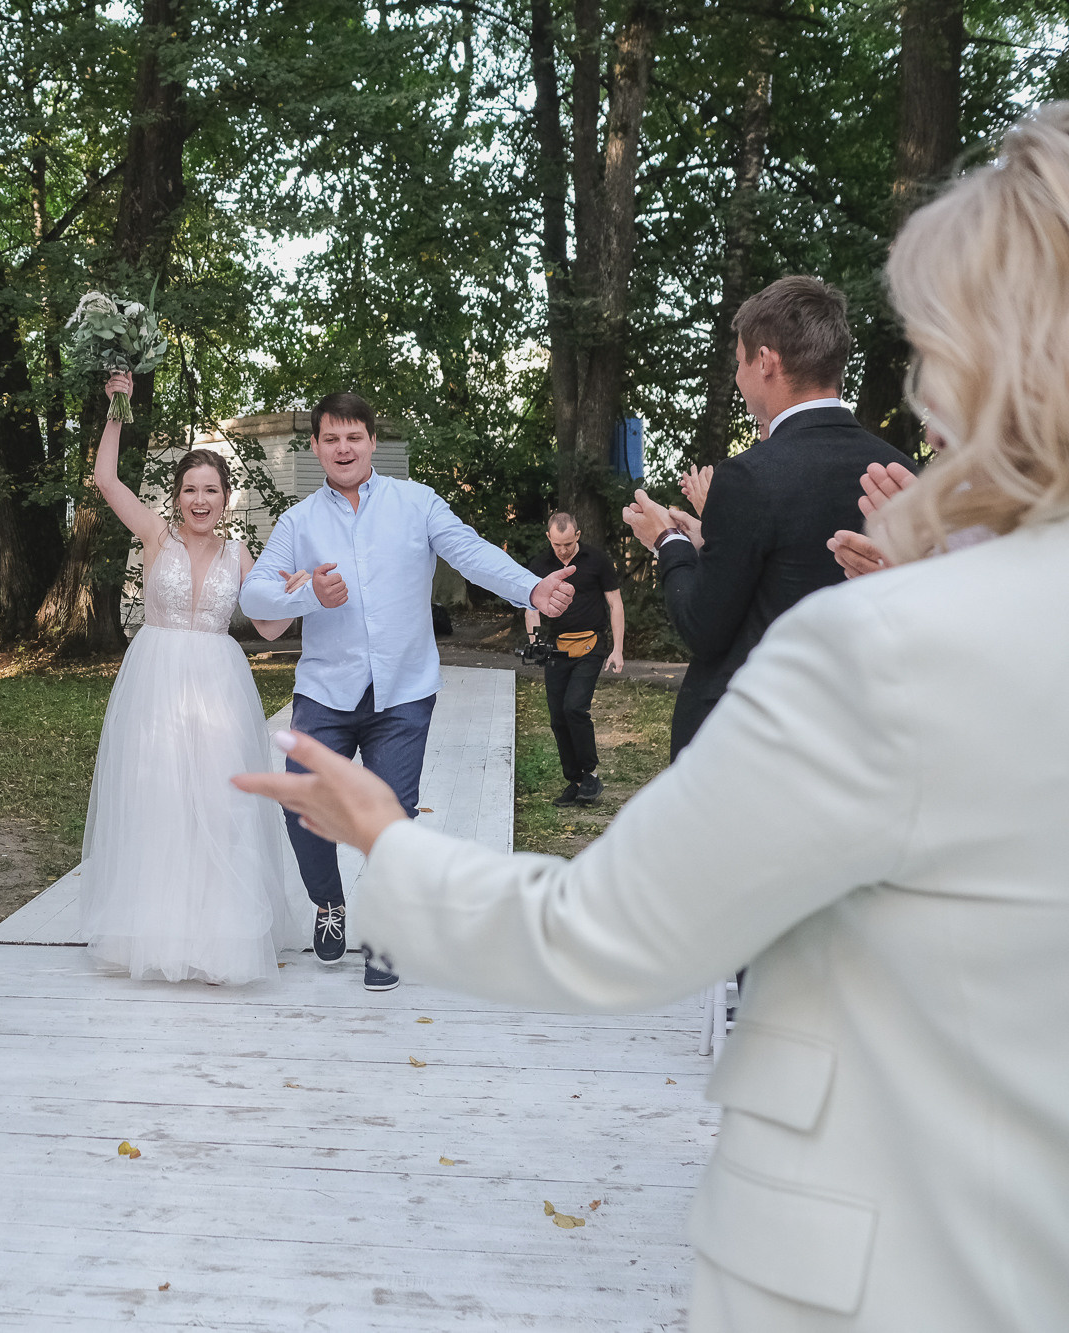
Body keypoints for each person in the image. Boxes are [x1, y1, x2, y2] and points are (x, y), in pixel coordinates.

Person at [237, 102, 1069, 1333]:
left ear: (991, 365)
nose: (915, 380)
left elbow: (598, 933)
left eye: (930, 343)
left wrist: (386, 841)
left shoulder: (881, 649)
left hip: (883, 1266)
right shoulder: (931, 611)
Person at [238, 392, 576, 991]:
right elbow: (256, 597)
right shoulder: (298, 523)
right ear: (315, 447)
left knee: (393, 817)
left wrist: (531, 590)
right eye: (331, 439)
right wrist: (309, 594)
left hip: (403, 692)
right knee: (300, 799)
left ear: (372, 443)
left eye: (355, 437)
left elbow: (470, 553)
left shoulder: (417, 504)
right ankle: (328, 904)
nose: (344, 448)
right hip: (324, 690)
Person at [75, 369, 307, 984]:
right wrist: (117, 409)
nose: (200, 499)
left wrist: (296, 593)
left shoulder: (240, 554)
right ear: (176, 496)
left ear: (226, 496)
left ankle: (217, 937)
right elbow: (104, 479)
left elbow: (269, 630)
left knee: (219, 803)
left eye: (211, 489)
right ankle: (157, 932)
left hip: (219, 684)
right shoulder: (154, 536)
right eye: (189, 489)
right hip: (157, 681)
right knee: (160, 801)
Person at [621, 276, 915, 757]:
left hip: (752, 735)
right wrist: (710, 538)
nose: (737, 378)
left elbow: (703, 626)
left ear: (765, 362)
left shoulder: (750, 476)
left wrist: (667, 541)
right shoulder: (901, 470)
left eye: (739, 362)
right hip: (859, 732)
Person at [522, 512, 624, 807]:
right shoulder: (541, 565)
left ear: (577, 536)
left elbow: (615, 603)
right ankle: (576, 781)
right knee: (557, 716)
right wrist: (535, 642)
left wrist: (618, 649)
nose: (563, 550)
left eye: (568, 544)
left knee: (574, 708)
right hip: (557, 647)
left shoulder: (597, 560)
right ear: (549, 538)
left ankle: (589, 773)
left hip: (591, 644)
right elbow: (531, 607)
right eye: (557, 545)